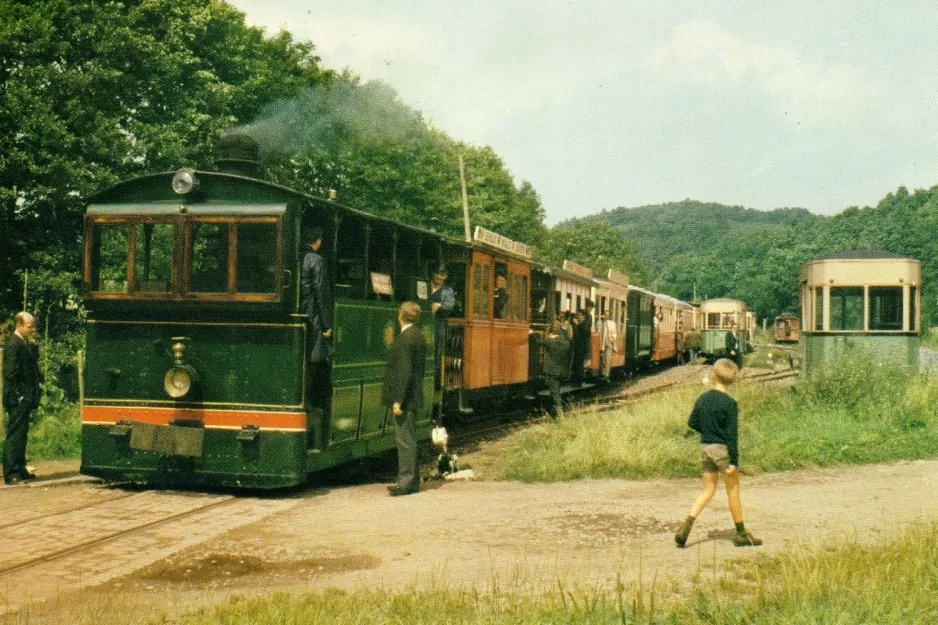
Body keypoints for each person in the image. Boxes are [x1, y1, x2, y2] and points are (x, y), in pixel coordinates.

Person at [674, 358, 762, 548]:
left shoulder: (703, 398)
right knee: (733, 490)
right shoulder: (730, 403)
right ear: (733, 380)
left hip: (705, 448)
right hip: (722, 450)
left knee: (708, 490)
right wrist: (734, 462)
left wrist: (708, 430)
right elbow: (731, 436)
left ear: (714, 375)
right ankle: (740, 534)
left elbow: (692, 422)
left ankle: (686, 527)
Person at [382, 301, 427, 496]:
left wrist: (398, 400)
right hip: (413, 394)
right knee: (410, 439)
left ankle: (406, 482)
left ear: (400, 316)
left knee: (405, 440)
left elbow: (403, 371)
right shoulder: (418, 336)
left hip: (405, 398)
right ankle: (412, 481)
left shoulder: (405, 338)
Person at [301, 226, 334, 446]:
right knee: (314, 363)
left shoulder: (297, 258)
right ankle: (310, 405)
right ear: (318, 241)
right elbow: (322, 292)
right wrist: (327, 323)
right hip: (312, 316)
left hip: (299, 312)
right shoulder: (316, 260)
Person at [3, 312, 41, 485]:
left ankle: (20, 467)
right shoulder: (13, 344)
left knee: (22, 433)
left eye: (33, 326)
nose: (33, 329)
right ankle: (11, 473)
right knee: (15, 434)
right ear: (19, 325)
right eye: (29, 326)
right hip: (17, 398)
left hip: (25, 397)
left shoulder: (24, 343)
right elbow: (11, 372)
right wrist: (19, 395)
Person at [535, 316, 571, 419]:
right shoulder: (566, 343)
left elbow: (538, 342)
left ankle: (560, 415)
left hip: (552, 371)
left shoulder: (551, 342)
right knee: (555, 390)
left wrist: (532, 334)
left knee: (554, 392)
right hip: (562, 372)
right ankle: (552, 410)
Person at [429, 266, 455, 388]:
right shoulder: (425, 285)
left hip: (438, 324)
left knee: (437, 352)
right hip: (424, 323)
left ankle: (435, 382)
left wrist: (439, 307)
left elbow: (449, 306)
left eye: (442, 274)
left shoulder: (447, 291)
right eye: (437, 273)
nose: (439, 277)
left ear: (446, 276)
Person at [571, 310, 590, 386]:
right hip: (579, 347)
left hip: (581, 348)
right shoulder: (582, 323)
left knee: (578, 365)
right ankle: (578, 381)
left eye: (579, 315)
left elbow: (585, 333)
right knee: (578, 365)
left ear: (583, 316)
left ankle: (578, 382)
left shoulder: (585, 323)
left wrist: (577, 324)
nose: (578, 317)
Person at [599, 310, 617, 382]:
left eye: (608, 315)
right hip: (602, 342)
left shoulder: (612, 323)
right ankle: (603, 374)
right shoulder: (600, 323)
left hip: (609, 342)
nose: (606, 316)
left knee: (608, 359)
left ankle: (607, 375)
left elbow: (614, 333)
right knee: (603, 359)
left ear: (609, 316)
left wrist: (612, 338)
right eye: (605, 315)